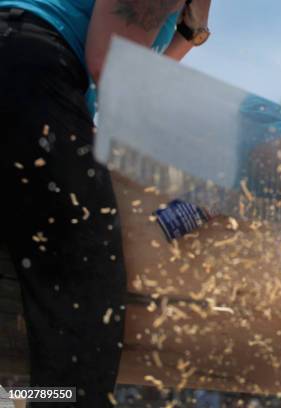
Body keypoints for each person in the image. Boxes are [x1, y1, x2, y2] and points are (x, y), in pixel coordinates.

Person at [0, 0, 212, 406]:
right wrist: (195, 173)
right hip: (27, 70)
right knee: (84, 306)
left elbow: (135, 71)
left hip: (23, 69)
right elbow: (111, 65)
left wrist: (188, 35)